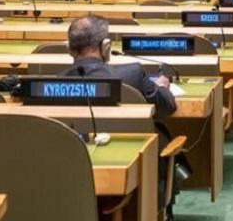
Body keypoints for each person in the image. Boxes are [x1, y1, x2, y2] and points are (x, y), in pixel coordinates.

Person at [59, 14, 179, 209]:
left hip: (73, 172)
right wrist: (163, 86)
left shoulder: (54, 83)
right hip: (138, 172)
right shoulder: (131, 75)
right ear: (106, 46)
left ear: (69, 48)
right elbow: (168, 107)